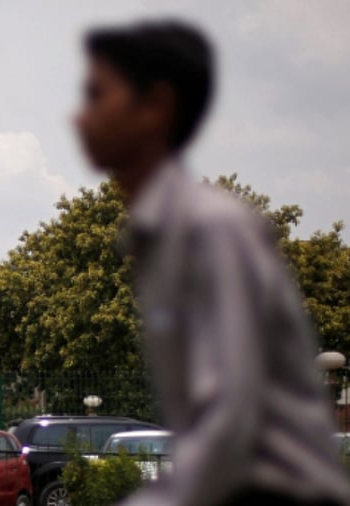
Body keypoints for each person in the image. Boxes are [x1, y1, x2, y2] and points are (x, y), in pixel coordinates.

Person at [74, 19, 350, 506]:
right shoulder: (160, 235)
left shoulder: (208, 229)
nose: (79, 117)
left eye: (97, 95)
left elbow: (231, 418)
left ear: (156, 105)